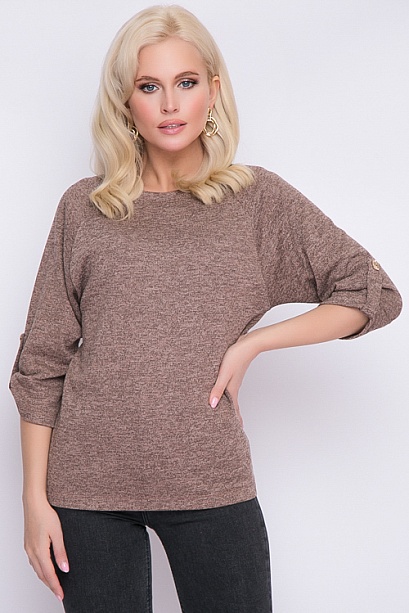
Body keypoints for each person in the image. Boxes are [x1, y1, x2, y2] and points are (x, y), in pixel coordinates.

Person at [9, 5, 402, 613]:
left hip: (209, 477)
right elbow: (40, 364)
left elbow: (371, 293)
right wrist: (34, 502)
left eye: (186, 83)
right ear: (125, 101)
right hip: (86, 490)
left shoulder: (256, 202)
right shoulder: (85, 208)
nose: (170, 104)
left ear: (213, 91)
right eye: (149, 86)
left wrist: (254, 342)